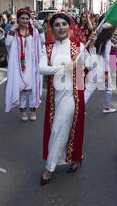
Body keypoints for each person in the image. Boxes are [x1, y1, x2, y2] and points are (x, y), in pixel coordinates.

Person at [39, 12, 97, 185]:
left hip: (71, 96)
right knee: (66, 128)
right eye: (57, 25)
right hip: (54, 96)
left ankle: (49, 168)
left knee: (58, 128)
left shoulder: (78, 46)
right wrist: (63, 68)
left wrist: (92, 45)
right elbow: (41, 68)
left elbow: (93, 65)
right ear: (52, 28)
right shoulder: (47, 48)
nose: (61, 28)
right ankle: (75, 158)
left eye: (64, 24)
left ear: (69, 26)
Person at [5, 8, 45, 121]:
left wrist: (40, 28)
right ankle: (23, 111)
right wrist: (12, 29)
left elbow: (43, 41)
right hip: (19, 66)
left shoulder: (33, 31)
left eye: (27, 18)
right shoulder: (14, 32)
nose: (25, 20)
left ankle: (33, 111)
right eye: (22, 18)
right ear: (18, 19)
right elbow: (7, 43)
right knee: (21, 89)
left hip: (33, 65)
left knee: (33, 89)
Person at [84, 22, 117, 113]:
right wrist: (106, 73)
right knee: (104, 88)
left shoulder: (99, 39)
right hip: (102, 68)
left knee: (91, 88)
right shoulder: (107, 42)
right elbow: (106, 58)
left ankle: (106, 107)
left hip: (95, 65)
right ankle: (106, 107)